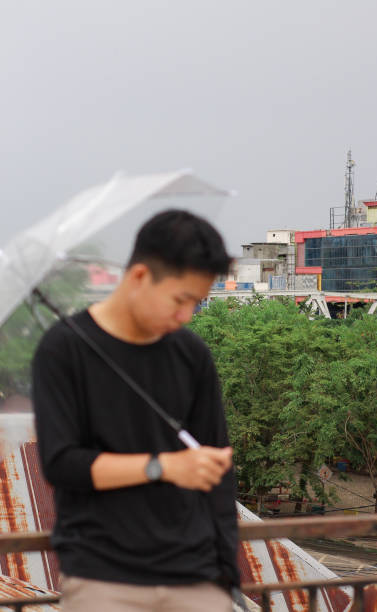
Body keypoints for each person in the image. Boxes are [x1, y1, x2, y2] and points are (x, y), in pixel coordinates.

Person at [32, 210, 240, 612]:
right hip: (103, 578)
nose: (185, 317)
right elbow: (62, 463)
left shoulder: (191, 354)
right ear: (140, 276)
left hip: (196, 578)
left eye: (196, 303)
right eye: (180, 300)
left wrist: (225, 572)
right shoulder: (64, 349)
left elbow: (219, 470)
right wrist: (163, 467)